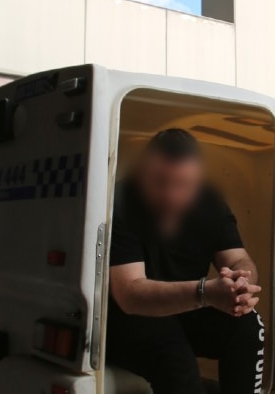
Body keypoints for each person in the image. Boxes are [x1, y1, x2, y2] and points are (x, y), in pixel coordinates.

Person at [106, 129, 265, 394]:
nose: (170, 194)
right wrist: (206, 292)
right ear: (143, 173)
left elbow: (238, 258)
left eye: (182, 185)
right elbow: (129, 293)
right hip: (128, 319)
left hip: (185, 311)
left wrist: (240, 283)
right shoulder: (122, 201)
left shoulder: (210, 202)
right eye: (159, 181)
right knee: (174, 357)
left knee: (248, 324)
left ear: (197, 182)